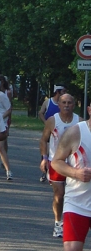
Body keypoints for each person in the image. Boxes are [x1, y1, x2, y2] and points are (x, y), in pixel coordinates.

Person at [39, 93, 81, 238]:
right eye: (64, 102)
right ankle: (58, 223)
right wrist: (44, 158)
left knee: (74, 195)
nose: (67, 105)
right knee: (60, 194)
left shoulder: (79, 122)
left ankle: (72, 222)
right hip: (56, 162)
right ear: (59, 105)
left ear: (74, 105)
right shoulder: (52, 121)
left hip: (74, 164)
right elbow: (44, 140)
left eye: (69, 103)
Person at [52, 106, 91, 251]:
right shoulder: (76, 132)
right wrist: (76, 173)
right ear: (89, 110)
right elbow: (56, 162)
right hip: (77, 202)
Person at [38, 84, 66, 182]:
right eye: (63, 91)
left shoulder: (63, 104)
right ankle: (44, 170)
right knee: (46, 149)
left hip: (59, 132)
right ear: (58, 92)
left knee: (57, 150)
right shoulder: (48, 102)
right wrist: (46, 123)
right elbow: (41, 112)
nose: (65, 93)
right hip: (49, 130)